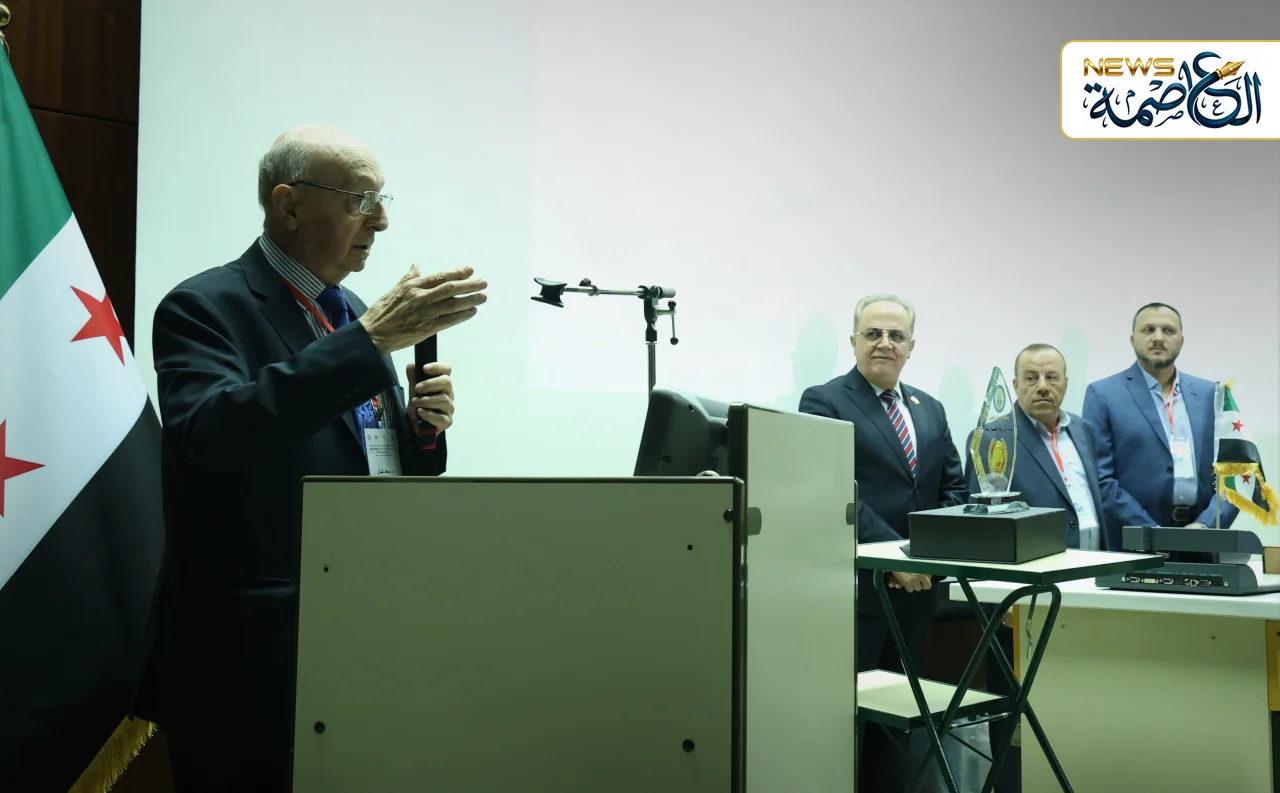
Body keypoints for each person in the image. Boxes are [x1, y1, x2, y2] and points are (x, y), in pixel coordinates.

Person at [144, 125, 489, 791]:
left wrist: (421, 432)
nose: (380, 221)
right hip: (248, 663)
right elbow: (215, 433)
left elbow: (362, 455)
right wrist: (369, 340)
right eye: (360, 200)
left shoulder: (350, 312)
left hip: (358, 633)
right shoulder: (203, 307)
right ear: (289, 205)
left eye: (382, 201)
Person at [799, 293, 967, 793]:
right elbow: (834, 486)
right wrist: (897, 557)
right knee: (847, 722)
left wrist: (928, 561)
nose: (884, 343)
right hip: (858, 594)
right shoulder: (824, 401)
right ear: (854, 340)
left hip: (920, 592)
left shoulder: (930, 408)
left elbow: (954, 491)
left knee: (898, 724)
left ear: (911, 346)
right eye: (873, 333)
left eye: (896, 335)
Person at [963, 343, 1107, 793]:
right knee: (1017, 714)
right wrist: (1002, 593)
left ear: (1066, 382)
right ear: (1015, 384)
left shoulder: (1083, 430)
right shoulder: (994, 436)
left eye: (1052, 377)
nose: (1042, 386)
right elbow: (980, 525)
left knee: (1081, 703)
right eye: (1031, 378)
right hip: (1024, 598)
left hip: (1089, 589)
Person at [1082, 303, 1237, 546]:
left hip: (1202, 540)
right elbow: (1100, 479)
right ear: (1132, 340)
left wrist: (1206, 525)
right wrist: (1151, 534)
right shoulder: (1103, 395)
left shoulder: (1212, 394)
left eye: (1168, 330)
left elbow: (1235, 471)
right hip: (1134, 542)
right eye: (1148, 330)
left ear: (1181, 341)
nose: (1158, 338)